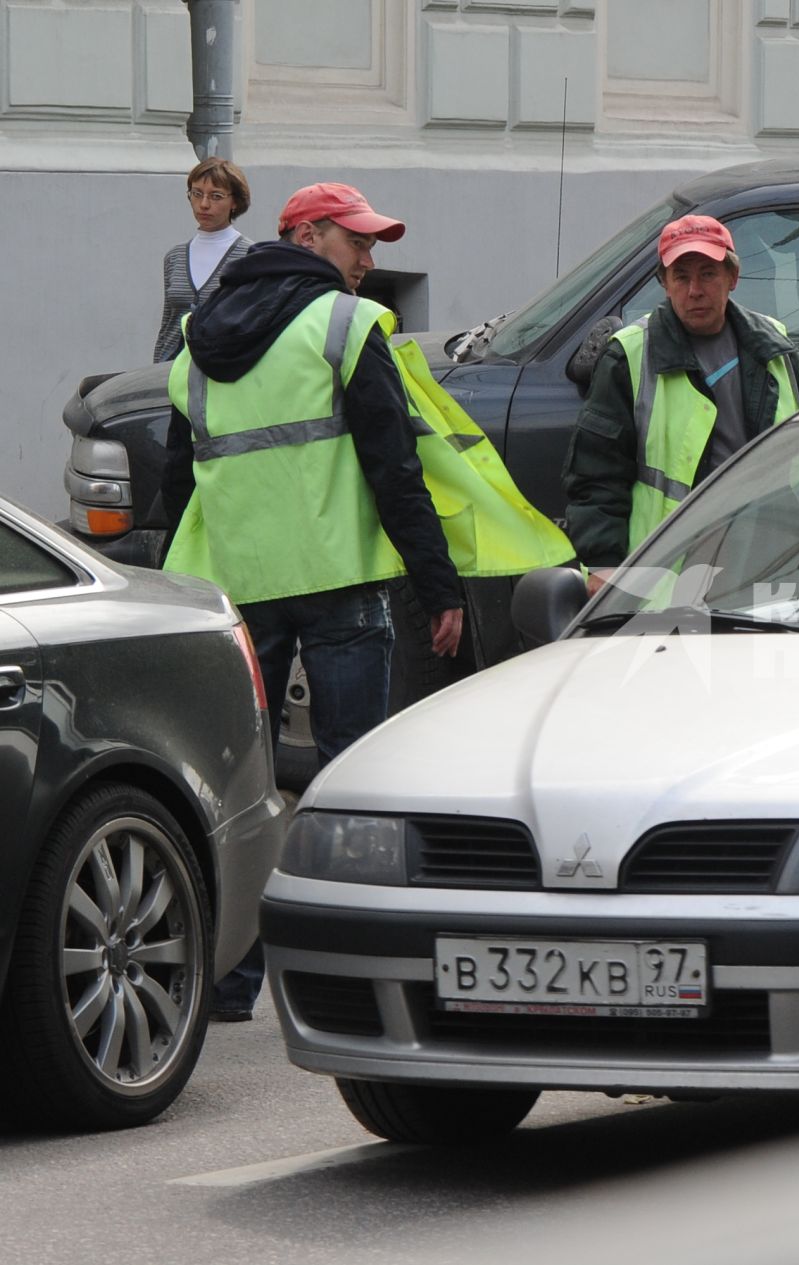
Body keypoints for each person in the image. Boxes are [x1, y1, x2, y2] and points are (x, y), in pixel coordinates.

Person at [160, 183, 464, 1021]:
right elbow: (394, 466)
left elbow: (177, 482)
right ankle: (356, 974)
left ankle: (227, 983)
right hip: (337, 590)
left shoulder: (196, 345)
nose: (370, 261)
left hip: (239, 594)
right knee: (351, 783)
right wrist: (438, 584)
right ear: (305, 236)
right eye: (356, 243)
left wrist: (166, 584)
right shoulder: (343, 327)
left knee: (239, 791)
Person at [563, 214, 799, 584]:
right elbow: (596, 476)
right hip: (669, 577)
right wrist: (603, 567)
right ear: (665, 285)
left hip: (773, 566)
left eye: (707, 273)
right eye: (681, 276)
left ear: (732, 278)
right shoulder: (629, 356)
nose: (694, 289)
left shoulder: (776, 347)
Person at [153, 157, 254, 362]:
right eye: (197, 194)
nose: (204, 204)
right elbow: (168, 324)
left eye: (216, 196)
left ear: (234, 202)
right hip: (170, 373)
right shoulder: (175, 257)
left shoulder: (250, 256)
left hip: (222, 372)